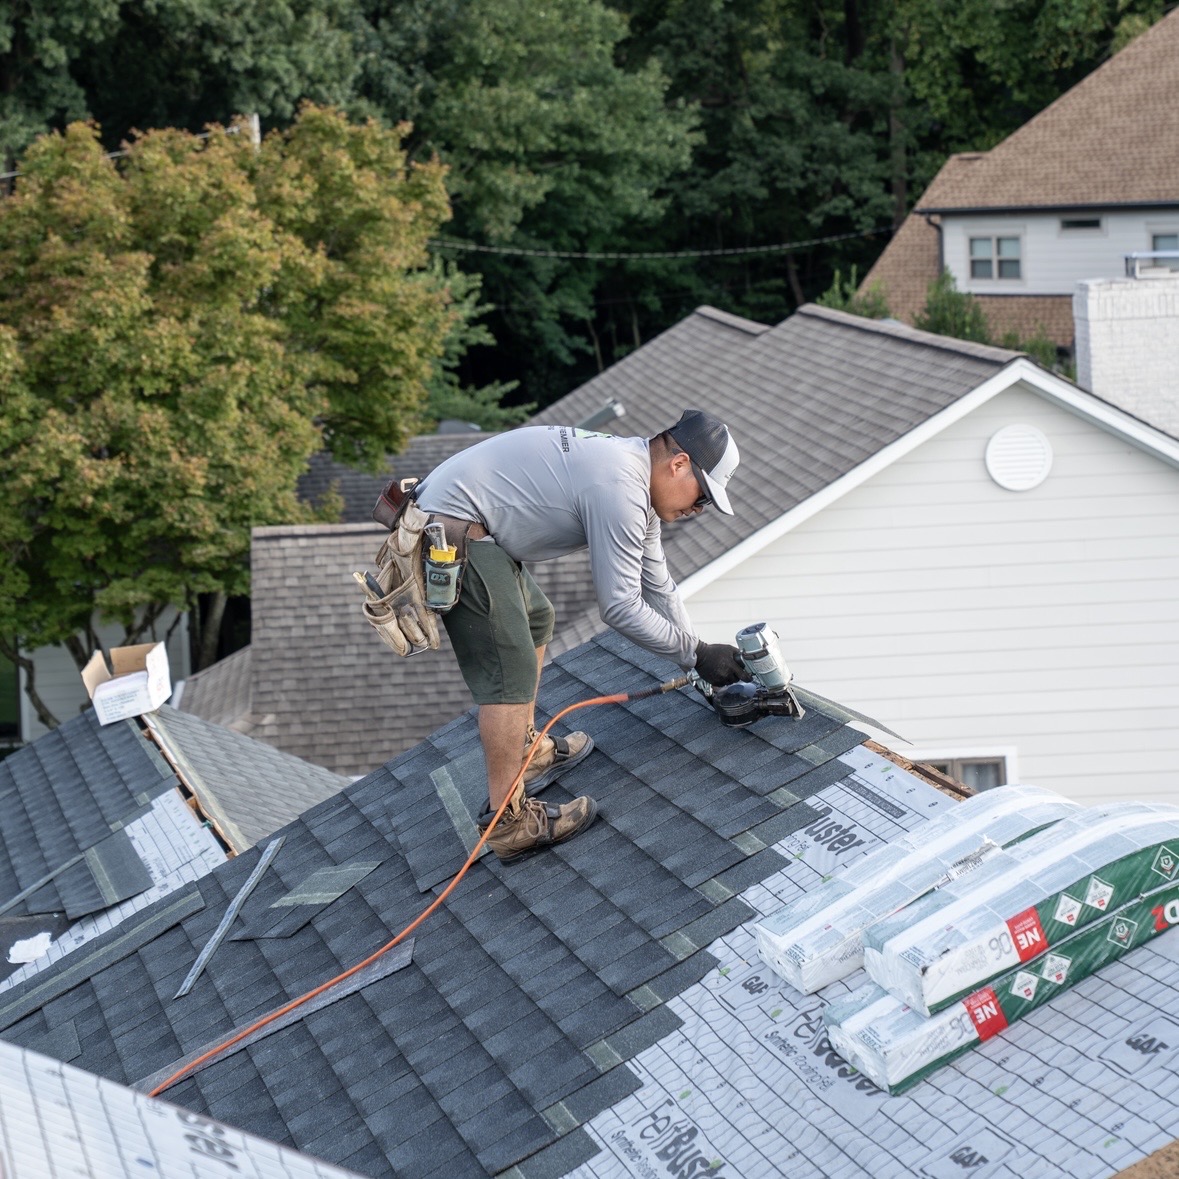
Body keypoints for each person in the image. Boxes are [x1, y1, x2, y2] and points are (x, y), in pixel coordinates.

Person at [413, 409, 750, 863]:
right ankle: (508, 822)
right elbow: (620, 607)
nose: (697, 509)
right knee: (509, 668)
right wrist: (697, 654)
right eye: (703, 495)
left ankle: (526, 750)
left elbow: (659, 586)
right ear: (678, 464)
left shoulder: (634, 479)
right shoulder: (621, 488)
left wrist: (699, 666)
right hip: (451, 527)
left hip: (467, 519)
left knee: (535, 619)